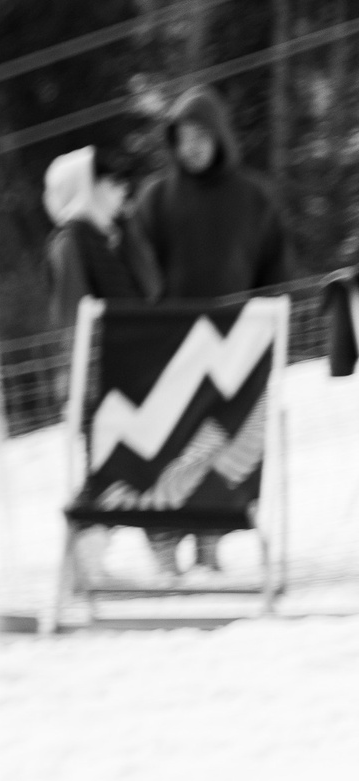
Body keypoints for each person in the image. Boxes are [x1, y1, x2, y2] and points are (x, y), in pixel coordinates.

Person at [129, 87, 292, 574]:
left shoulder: (254, 197)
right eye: (182, 136)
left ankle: (209, 541)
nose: (192, 146)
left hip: (234, 353)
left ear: (220, 136)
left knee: (221, 444)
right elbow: (136, 270)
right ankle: (163, 541)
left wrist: (263, 330)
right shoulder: (156, 199)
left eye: (201, 135)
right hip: (170, 352)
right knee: (168, 447)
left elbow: (275, 272)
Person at [42, 145, 150, 332]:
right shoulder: (70, 243)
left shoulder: (111, 237)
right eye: (113, 184)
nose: (123, 192)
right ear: (85, 190)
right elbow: (73, 321)